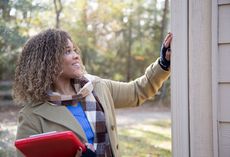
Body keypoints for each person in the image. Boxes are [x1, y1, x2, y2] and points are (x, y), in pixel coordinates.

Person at [13, 28, 172, 157]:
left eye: (74, 50)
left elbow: (137, 91)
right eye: (67, 51)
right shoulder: (32, 116)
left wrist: (163, 63)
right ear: (48, 61)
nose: (76, 55)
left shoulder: (97, 87)